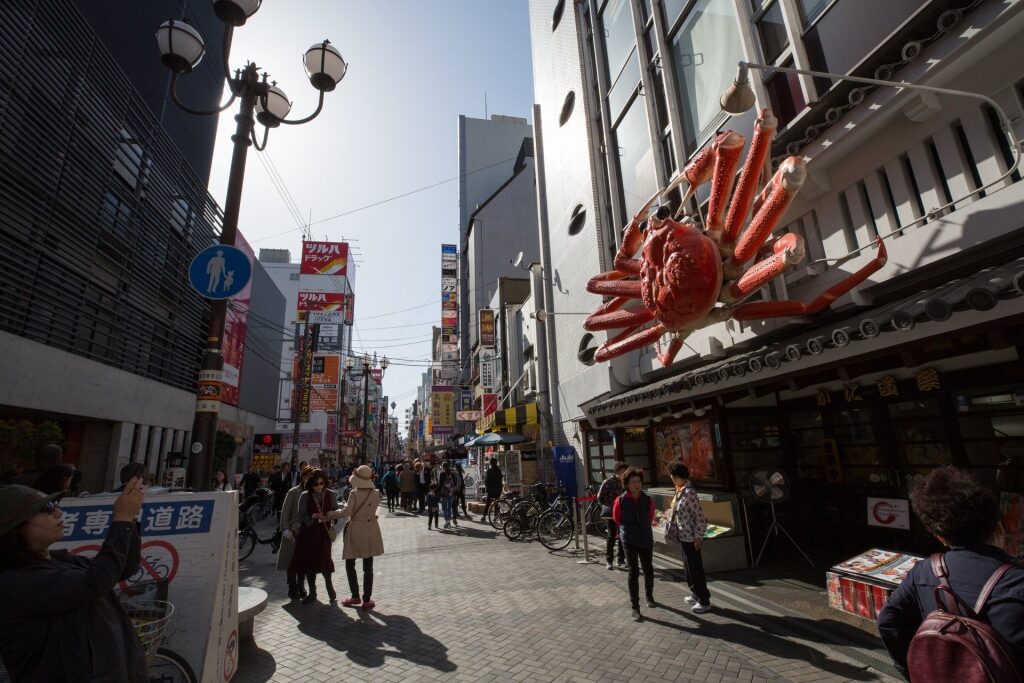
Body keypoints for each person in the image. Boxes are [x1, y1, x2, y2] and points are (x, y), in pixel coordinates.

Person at [877, 466, 1024, 678]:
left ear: (940, 536)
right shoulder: (1016, 581)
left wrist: (914, 670)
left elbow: (887, 621)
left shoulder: (923, 572)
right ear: (998, 527)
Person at [0, 479, 147, 681]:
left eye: (55, 505)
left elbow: (121, 569)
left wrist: (129, 521)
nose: (58, 513)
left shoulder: (61, 562)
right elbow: (96, 581)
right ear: (15, 528)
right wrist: (121, 520)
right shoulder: (17, 581)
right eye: (46, 508)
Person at [328, 465, 384, 610]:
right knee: (368, 565)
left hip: (356, 528)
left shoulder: (354, 493)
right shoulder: (376, 493)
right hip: (371, 528)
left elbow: (346, 512)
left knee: (350, 562)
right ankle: (367, 599)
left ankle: (355, 596)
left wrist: (331, 513)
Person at [612, 467, 656, 622]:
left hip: (645, 538)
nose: (637, 485)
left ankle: (649, 596)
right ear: (627, 484)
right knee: (633, 572)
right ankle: (635, 606)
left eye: (638, 481)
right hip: (629, 539)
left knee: (648, 568)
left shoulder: (647, 499)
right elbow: (617, 518)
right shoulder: (621, 500)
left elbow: (650, 516)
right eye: (633, 482)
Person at [289, 470, 340, 604]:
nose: (318, 487)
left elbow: (336, 511)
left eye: (321, 483)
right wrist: (314, 516)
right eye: (315, 484)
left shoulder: (331, 495)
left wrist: (330, 515)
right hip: (309, 532)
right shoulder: (305, 495)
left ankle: (329, 587)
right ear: (311, 484)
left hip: (323, 533)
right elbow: (301, 513)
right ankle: (312, 592)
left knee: (325, 559)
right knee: (309, 561)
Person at [668, 462, 711, 613]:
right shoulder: (681, 490)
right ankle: (695, 593)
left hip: (692, 537)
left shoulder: (689, 492)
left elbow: (699, 517)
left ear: (678, 476)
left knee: (695, 569)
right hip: (684, 536)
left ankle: (704, 600)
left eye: (673, 477)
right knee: (688, 568)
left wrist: (699, 537)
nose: (672, 479)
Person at [278, 465, 312, 600]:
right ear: (303, 477)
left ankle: (300, 585)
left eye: (312, 477)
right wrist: (285, 528)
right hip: (293, 531)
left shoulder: (314, 493)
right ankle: (292, 587)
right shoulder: (293, 492)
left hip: (307, 531)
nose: (310, 479)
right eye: (308, 476)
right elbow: (285, 512)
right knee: (290, 561)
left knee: (303, 561)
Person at [598, 462, 628, 570]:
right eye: (621, 472)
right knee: (611, 537)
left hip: (624, 513)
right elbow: (600, 497)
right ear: (616, 472)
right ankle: (609, 560)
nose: (624, 474)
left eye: (625, 472)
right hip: (612, 514)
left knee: (622, 536)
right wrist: (611, 504)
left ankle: (620, 559)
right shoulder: (608, 482)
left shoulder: (627, 482)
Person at [437, 461, 460, 529]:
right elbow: (458, 481)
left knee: (444, 508)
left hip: (444, 492)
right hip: (452, 492)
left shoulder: (442, 473)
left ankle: (447, 520)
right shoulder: (454, 472)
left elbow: (440, 483)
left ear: (443, 467)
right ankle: (448, 521)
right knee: (449, 507)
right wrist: (456, 489)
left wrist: (437, 491)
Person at [482, 457, 503, 522]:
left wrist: (487, 487)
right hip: (497, 490)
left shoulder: (489, 471)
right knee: (496, 504)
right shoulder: (499, 471)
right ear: (496, 463)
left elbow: (486, 481)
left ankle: (484, 516)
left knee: (488, 503)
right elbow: (500, 480)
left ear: (490, 464)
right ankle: (495, 517)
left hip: (490, 490)